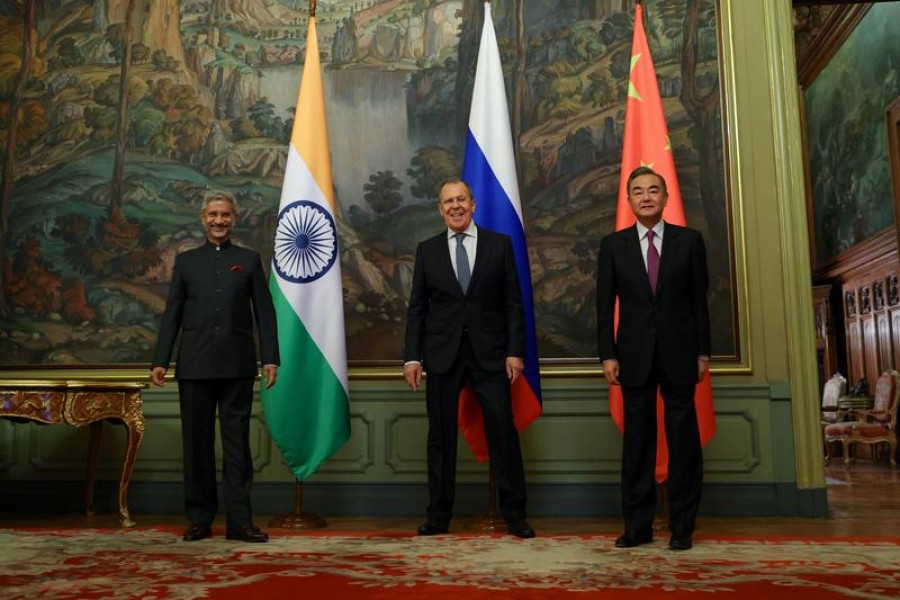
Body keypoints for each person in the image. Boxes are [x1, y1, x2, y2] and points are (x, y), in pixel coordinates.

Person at [403, 178, 535, 539]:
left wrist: (514, 351)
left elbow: (513, 303)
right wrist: (412, 358)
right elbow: (417, 308)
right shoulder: (427, 250)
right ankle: (439, 516)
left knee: (502, 434)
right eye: (448, 202)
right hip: (441, 356)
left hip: (491, 355)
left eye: (461, 199)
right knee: (440, 438)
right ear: (440, 209)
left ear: (473, 205)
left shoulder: (499, 245)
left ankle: (515, 514)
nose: (456, 206)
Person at [151, 193, 279, 543]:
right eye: (213, 214)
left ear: (233, 219)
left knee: (237, 446)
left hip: (238, 366)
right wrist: (160, 361)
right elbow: (172, 313)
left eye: (225, 215)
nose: (219, 220)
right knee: (197, 446)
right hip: (193, 366)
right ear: (202, 218)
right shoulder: (187, 262)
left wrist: (270, 358)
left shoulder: (249, 260)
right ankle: (199, 519)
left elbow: (264, 314)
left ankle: (240, 522)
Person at [595, 166, 710, 551]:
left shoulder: (690, 241)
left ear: (665, 197)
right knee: (638, 445)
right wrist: (607, 355)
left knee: (683, 443)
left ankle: (682, 527)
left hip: (680, 355)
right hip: (633, 358)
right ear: (628, 200)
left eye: (653, 190)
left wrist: (702, 352)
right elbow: (602, 307)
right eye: (638, 191)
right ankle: (637, 526)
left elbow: (699, 304)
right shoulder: (613, 246)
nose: (646, 197)